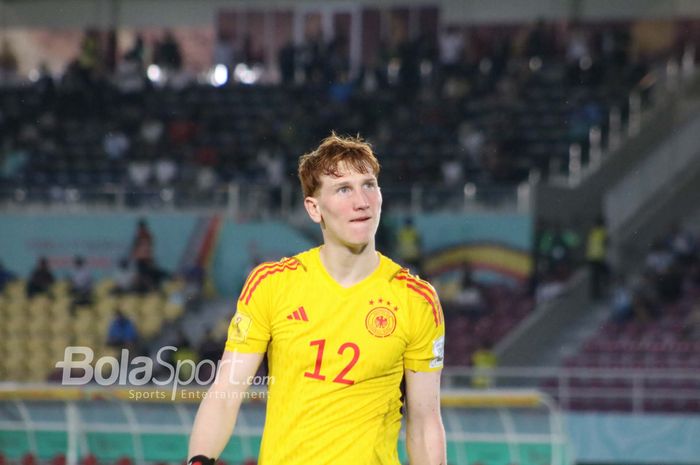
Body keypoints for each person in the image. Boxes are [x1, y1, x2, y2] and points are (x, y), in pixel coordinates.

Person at [188, 134, 446, 465]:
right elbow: (225, 394)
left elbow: (425, 422)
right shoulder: (272, 284)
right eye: (343, 189)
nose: (362, 201)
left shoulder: (416, 299)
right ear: (314, 208)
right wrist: (198, 461)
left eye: (369, 185)